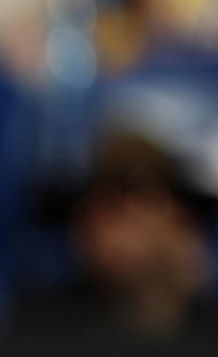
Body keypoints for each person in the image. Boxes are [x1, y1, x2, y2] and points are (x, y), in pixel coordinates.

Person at [23, 129, 218, 340]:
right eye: (86, 213)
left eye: (116, 207)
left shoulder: (208, 335)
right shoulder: (37, 329)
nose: (97, 227)